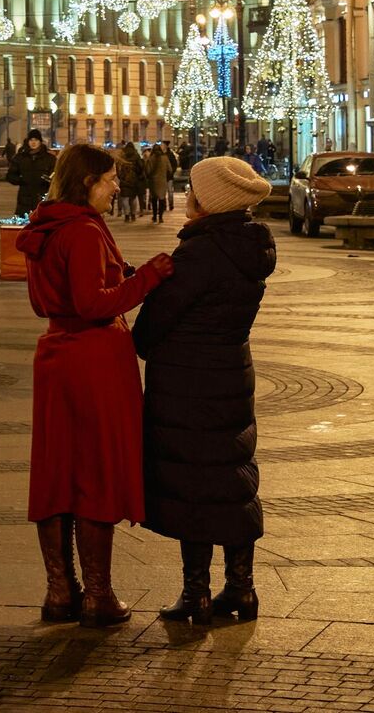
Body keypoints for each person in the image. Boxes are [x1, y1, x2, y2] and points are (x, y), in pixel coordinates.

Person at [16, 143, 175, 628]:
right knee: (95, 471)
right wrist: (148, 277)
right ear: (87, 182)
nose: (117, 187)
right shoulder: (83, 230)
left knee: (58, 470)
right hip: (92, 359)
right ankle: (98, 596)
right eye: (109, 180)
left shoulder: (47, 226)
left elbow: (50, 302)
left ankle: (60, 591)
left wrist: (120, 272)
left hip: (57, 355)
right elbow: (93, 303)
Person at [133, 157, 276, 625]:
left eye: (192, 190)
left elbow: (152, 327)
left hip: (186, 382)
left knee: (191, 483)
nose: (186, 196)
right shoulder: (250, 247)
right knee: (232, 477)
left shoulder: (198, 254)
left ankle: (195, 592)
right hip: (232, 375)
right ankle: (242, 589)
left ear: (209, 200)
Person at [7, 128, 55, 217]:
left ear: (40, 141)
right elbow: (10, 176)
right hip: (25, 198)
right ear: (27, 141)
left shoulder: (49, 158)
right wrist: (21, 180)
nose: (33, 142)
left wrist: (49, 180)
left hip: (43, 196)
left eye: (36, 140)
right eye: (31, 140)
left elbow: (56, 175)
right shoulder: (20, 158)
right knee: (24, 224)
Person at [144, 141, 175, 224]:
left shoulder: (151, 158)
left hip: (153, 182)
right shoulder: (164, 158)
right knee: (162, 199)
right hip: (162, 181)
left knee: (154, 199)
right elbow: (170, 169)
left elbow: (148, 170)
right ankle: (160, 217)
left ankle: (154, 216)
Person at [117, 143, 145, 222]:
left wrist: (121, 177)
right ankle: (133, 215)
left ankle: (126, 215)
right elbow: (141, 168)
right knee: (133, 198)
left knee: (125, 199)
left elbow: (118, 169)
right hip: (134, 180)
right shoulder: (136, 156)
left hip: (124, 181)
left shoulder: (123, 156)